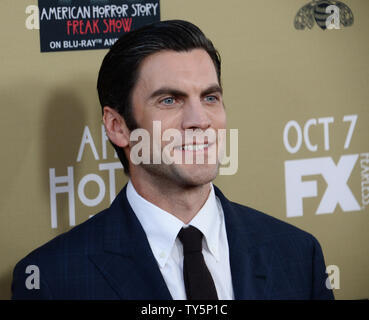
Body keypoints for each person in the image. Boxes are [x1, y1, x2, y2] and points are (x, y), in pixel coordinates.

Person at [11, 20, 334, 300]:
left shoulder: (297, 254)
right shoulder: (53, 279)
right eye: (169, 100)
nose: (199, 120)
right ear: (117, 126)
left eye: (210, 97)